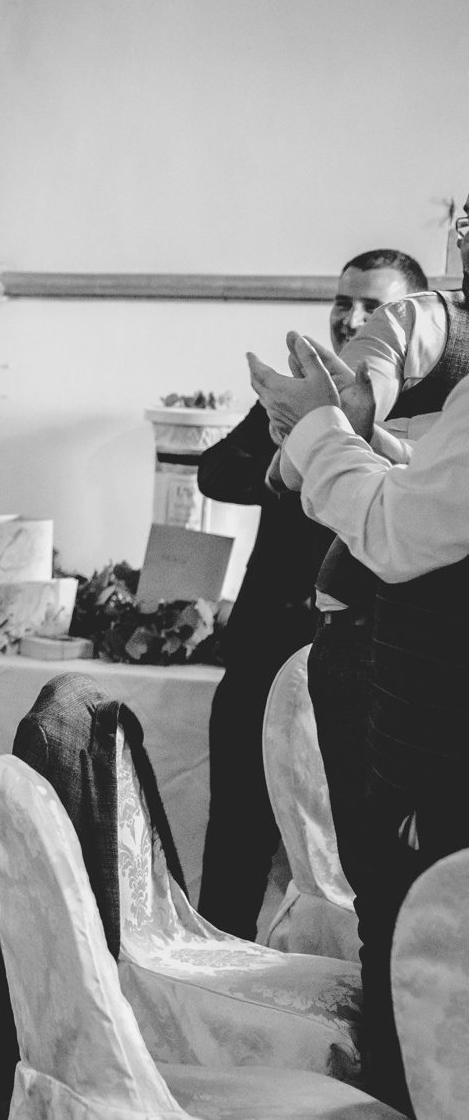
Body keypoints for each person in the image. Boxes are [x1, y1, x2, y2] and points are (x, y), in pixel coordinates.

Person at [250, 331, 469, 1116]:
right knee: (395, 919)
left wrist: (321, 431)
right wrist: (354, 436)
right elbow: (441, 501)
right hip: (408, 707)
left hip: (441, 731)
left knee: (415, 948)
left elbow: (404, 534)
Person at [193, 249, 424, 937]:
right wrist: (280, 455)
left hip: (360, 662)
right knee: (235, 827)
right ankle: (221, 976)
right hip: (263, 646)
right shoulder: (301, 386)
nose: (350, 316)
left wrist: (329, 452)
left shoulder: (425, 414)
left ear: (409, 318)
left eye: (372, 306)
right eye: (342, 300)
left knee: (344, 846)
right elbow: (212, 472)